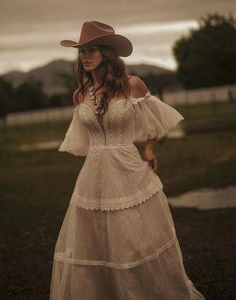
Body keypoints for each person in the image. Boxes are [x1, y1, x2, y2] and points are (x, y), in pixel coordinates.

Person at [49, 20, 206, 300]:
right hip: (93, 175)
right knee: (95, 243)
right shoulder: (80, 95)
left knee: (132, 241)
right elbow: (82, 138)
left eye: (92, 50)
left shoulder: (132, 85)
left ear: (107, 53)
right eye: (82, 51)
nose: (85, 56)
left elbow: (152, 120)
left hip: (128, 170)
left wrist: (149, 150)